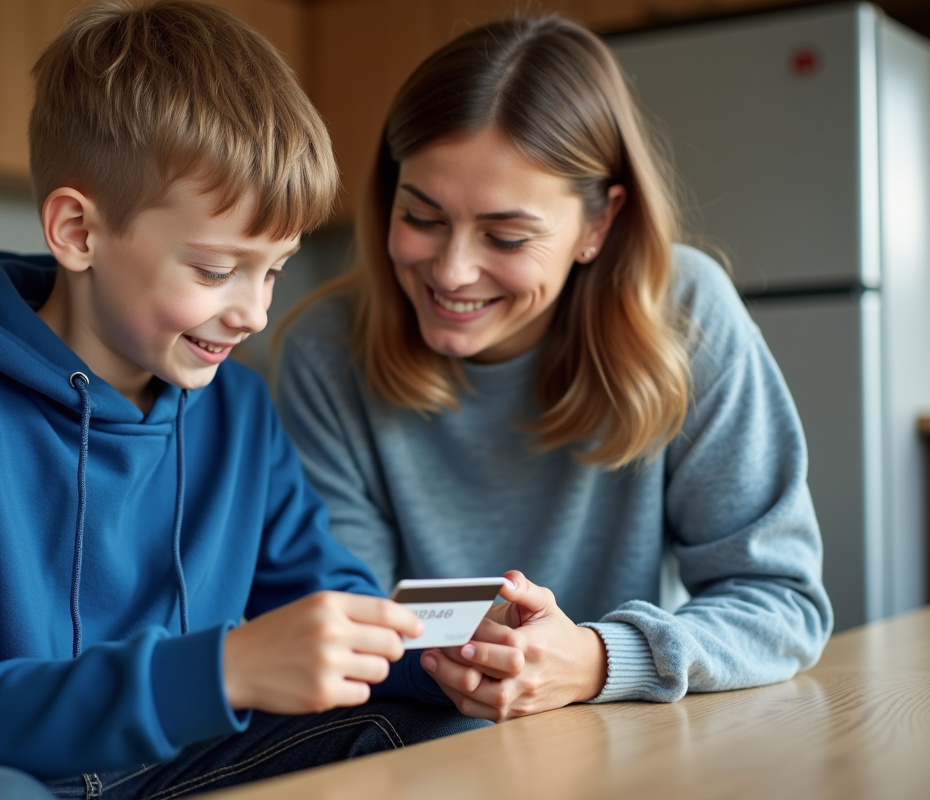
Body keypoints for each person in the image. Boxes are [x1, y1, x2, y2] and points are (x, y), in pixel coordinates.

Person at [0, 4, 490, 799]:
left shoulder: (238, 408)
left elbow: (331, 611)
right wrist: (222, 669)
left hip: (164, 773)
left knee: (436, 725)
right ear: (78, 232)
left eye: (274, 271)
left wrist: (454, 653)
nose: (255, 313)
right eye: (217, 270)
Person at [275, 15, 834, 721]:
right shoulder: (325, 351)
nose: (451, 271)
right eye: (422, 218)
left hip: (629, 738)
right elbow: (345, 622)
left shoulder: (685, 314)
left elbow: (780, 601)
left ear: (598, 225)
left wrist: (599, 659)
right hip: (419, 741)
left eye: (507, 236)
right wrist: (474, 665)